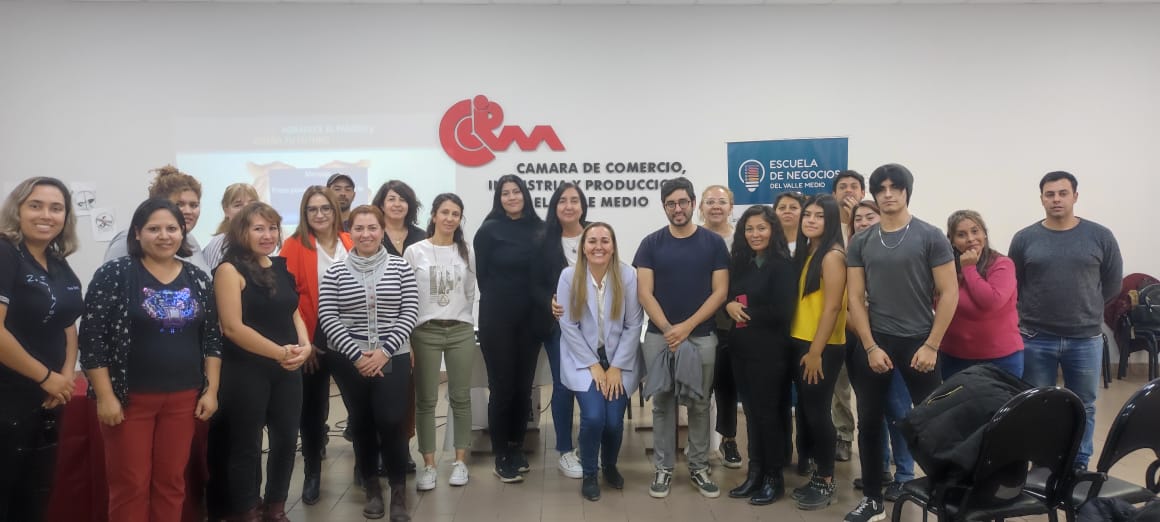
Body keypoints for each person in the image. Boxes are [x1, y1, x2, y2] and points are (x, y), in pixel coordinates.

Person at [80, 198, 221, 522]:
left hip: (184, 398)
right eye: (154, 229)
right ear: (137, 233)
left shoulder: (198, 278)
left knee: (171, 483)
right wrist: (105, 396)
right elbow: (92, 338)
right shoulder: (115, 273)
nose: (164, 236)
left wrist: (211, 390)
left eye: (172, 228)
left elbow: (212, 339)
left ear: (182, 233)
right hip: (129, 399)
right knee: (130, 485)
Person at [844, 163, 958, 522]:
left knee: (933, 423)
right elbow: (854, 297)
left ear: (907, 191)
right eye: (881, 188)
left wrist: (932, 345)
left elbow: (949, 292)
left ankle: (945, 496)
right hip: (876, 342)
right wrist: (869, 346)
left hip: (920, 342)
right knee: (869, 420)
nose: (888, 194)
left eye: (895, 187)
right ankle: (873, 499)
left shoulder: (930, 236)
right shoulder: (862, 241)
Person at [1009, 171, 1122, 470]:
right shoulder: (1024, 238)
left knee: (1083, 404)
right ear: (1041, 199)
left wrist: (1089, 308)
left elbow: (1113, 284)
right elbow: (1015, 284)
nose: (1056, 199)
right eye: (1050, 194)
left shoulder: (1100, 236)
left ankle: (1078, 464)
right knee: (1037, 405)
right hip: (1035, 338)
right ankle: (1042, 462)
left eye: (1062, 193)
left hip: (1085, 338)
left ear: (1075, 196)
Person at [319, 205, 418, 521]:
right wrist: (357, 355)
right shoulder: (335, 272)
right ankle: (373, 490)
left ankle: (399, 493)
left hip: (393, 356)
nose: (366, 234)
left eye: (372, 227)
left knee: (392, 421)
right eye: (359, 228)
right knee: (361, 423)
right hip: (350, 360)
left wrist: (385, 351)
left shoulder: (401, 268)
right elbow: (328, 316)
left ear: (382, 230)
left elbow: (409, 311)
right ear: (350, 232)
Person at [211, 202, 309, 522]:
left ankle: (276, 507)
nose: (267, 235)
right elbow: (232, 328)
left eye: (272, 228)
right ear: (242, 232)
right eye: (258, 229)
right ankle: (247, 510)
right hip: (245, 370)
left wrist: (306, 346)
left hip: (288, 369)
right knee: (247, 444)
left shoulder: (280, 266)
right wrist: (281, 353)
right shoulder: (229, 270)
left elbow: (293, 311)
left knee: (286, 440)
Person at [635, 176, 729, 499]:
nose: (678, 208)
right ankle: (663, 468)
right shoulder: (650, 244)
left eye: (683, 202)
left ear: (693, 204)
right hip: (659, 337)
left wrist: (686, 327)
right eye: (671, 204)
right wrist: (668, 329)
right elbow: (644, 293)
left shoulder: (713, 244)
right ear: (664, 207)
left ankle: (699, 466)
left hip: (701, 336)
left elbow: (720, 293)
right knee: (662, 404)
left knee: (700, 404)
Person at [0, 177, 83, 521]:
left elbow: (68, 323)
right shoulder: (5, 252)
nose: (46, 215)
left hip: (48, 397)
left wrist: (65, 377)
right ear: (17, 210)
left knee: (34, 495)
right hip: (9, 394)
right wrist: (47, 377)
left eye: (56, 208)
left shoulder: (57, 260)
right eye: (35, 205)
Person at [556, 222, 643, 502]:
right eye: (592, 241)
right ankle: (590, 473)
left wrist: (616, 367)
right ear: (583, 247)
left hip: (618, 359)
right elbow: (567, 324)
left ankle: (610, 465)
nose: (598, 246)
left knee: (614, 422)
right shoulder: (569, 276)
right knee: (594, 417)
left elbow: (633, 324)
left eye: (605, 241)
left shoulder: (627, 275)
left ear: (613, 246)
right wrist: (593, 364)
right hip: (584, 359)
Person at [278, 186, 352, 505]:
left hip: (350, 336)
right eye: (312, 209)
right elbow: (287, 298)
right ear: (304, 214)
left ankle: (365, 468)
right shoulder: (294, 245)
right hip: (311, 337)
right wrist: (303, 342)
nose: (319, 214)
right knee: (312, 410)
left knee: (359, 405)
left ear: (335, 211)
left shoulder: (350, 241)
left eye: (325, 208)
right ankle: (312, 473)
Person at [473, 174, 548, 483]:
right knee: (502, 387)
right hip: (498, 319)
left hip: (531, 320)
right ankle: (501, 453)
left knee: (523, 387)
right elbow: (482, 277)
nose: (512, 197)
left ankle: (517, 446)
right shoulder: (488, 231)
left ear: (525, 195)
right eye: (506, 193)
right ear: (499, 198)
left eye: (517, 191)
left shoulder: (540, 229)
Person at [721, 206, 797, 506]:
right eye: (749, 229)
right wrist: (729, 305)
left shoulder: (783, 266)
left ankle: (773, 478)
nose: (755, 234)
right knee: (752, 415)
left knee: (769, 415)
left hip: (771, 353)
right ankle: (755, 472)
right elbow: (729, 296)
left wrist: (746, 312)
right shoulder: (741, 263)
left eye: (761, 228)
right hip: (742, 350)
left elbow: (782, 311)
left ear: (773, 230)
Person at [405, 193, 477, 490]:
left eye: (455, 214)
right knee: (426, 400)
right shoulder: (415, 251)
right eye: (444, 212)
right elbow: (407, 295)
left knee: (461, 397)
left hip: (460, 330)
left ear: (460, 219)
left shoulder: (466, 251)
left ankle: (460, 462)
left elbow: (470, 291)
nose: (449, 218)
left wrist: (461, 316)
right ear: (433, 215)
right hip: (425, 331)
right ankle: (429, 465)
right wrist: (409, 339)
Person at [846, 201, 915, 501]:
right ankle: (880, 468)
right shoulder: (851, 254)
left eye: (869, 217)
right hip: (861, 344)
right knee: (871, 412)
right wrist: (866, 338)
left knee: (898, 410)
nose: (862, 222)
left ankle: (905, 475)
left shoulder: (896, 253)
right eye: (857, 219)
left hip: (895, 341)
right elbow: (848, 303)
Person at [786, 194, 848, 511]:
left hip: (821, 346)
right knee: (808, 412)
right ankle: (817, 475)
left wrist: (815, 352)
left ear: (832, 220)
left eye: (819, 216)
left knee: (818, 414)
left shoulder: (833, 255)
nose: (810, 220)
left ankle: (826, 480)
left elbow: (833, 308)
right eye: (807, 214)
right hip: (802, 341)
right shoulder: (810, 251)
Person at [536, 182, 589, 479]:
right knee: (564, 385)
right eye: (563, 201)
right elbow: (533, 283)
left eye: (574, 200)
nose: (569, 206)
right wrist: (549, 301)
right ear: (555, 207)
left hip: (596, 326)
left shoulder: (595, 233)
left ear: (582, 205)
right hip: (559, 326)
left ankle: (590, 444)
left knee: (594, 384)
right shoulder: (544, 241)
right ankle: (565, 450)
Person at [372, 179, 424, 473]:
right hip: (380, 324)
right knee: (381, 388)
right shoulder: (372, 235)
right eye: (391, 198)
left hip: (416, 321)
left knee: (407, 390)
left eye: (402, 199)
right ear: (381, 204)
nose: (397, 204)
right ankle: (379, 449)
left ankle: (402, 448)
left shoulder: (422, 236)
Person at [942, 210, 1023, 378]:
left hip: (1001, 358)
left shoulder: (1002, 264)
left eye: (975, 231)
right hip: (953, 357)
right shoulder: (945, 268)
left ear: (984, 234)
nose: (970, 238)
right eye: (961, 234)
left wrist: (969, 268)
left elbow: (991, 302)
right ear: (952, 241)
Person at [698, 185, 742, 470]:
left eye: (722, 202)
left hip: (730, 322)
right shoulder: (693, 236)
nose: (716, 206)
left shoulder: (742, 239)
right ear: (701, 207)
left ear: (731, 207)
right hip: (697, 321)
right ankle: (699, 442)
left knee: (727, 384)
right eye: (710, 201)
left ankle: (729, 439)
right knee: (700, 386)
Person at [105, 165, 211, 274]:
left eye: (194, 205)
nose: (188, 211)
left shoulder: (190, 240)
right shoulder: (126, 241)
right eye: (179, 204)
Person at [829, 170, 865, 463]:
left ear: (863, 193)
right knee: (838, 383)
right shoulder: (828, 228)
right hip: (838, 315)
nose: (849, 191)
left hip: (870, 318)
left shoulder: (872, 225)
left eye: (854, 187)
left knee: (870, 387)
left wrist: (857, 222)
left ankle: (880, 444)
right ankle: (843, 435)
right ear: (834, 194)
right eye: (842, 187)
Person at [203, 183, 259, 270]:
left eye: (252, 204)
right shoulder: (221, 243)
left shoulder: (260, 241)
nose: (246, 209)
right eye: (238, 205)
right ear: (226, 211)